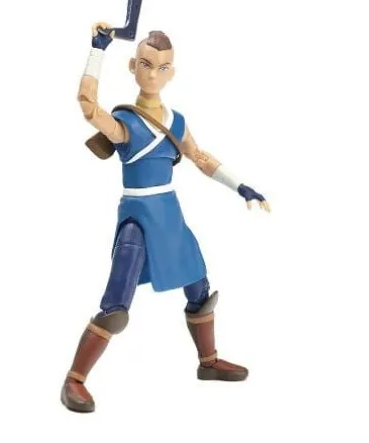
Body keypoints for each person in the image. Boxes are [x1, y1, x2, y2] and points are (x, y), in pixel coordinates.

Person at [61, 23, 271, 413]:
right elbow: (88, 105)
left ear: (171, 72)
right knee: (116, 306)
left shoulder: (176, 122)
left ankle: (208, 362)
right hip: (138, 217)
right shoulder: (125, 124)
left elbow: (200, 157)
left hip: (170, 215)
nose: (153, 74)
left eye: (162, 67)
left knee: (200, 288)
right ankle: (75, 379)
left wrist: (240, 185)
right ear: (133, 66)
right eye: (145, 64)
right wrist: (97, 50)